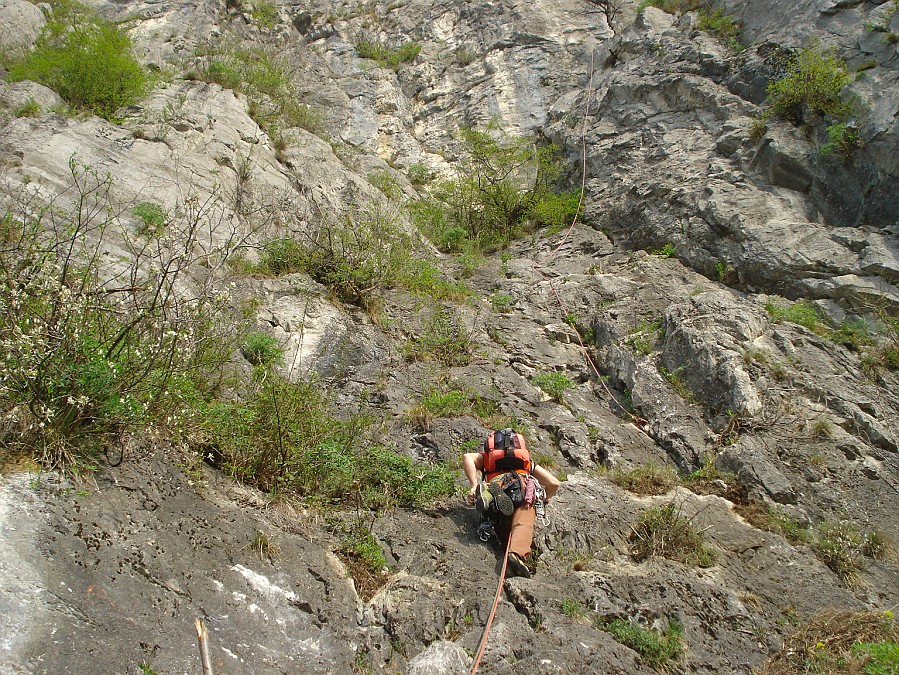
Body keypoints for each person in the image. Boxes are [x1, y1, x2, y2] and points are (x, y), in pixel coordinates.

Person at [463, 428, 560, 578]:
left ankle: (488, 494)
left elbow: (467, 457)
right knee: (523, 523)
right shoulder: (527, 463)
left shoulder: (488, 458)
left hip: (496, 481)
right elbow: (554, 484)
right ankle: (517, 555)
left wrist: (474, 485)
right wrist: (544, 498)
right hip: (521, 486)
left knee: (500, 520)